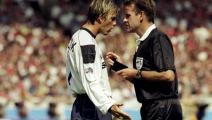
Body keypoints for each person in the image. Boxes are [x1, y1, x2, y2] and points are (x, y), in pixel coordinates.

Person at [106, 0, 183, 120]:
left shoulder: (158, 39)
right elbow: (144, 81)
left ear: (141, 15)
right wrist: (118, 67)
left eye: (127, 16)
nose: (124, 20)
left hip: (163, 110)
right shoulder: (143, 43)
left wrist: (136, 73)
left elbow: (168, 75)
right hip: (152, 109)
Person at [66, 0, 131, 119]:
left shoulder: (83, 38)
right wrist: (109, 106)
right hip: (89, 107)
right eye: (112, 18)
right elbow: (90, 81)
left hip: (90, 103)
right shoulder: (86, 42)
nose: (115, 23)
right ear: (101, 18)